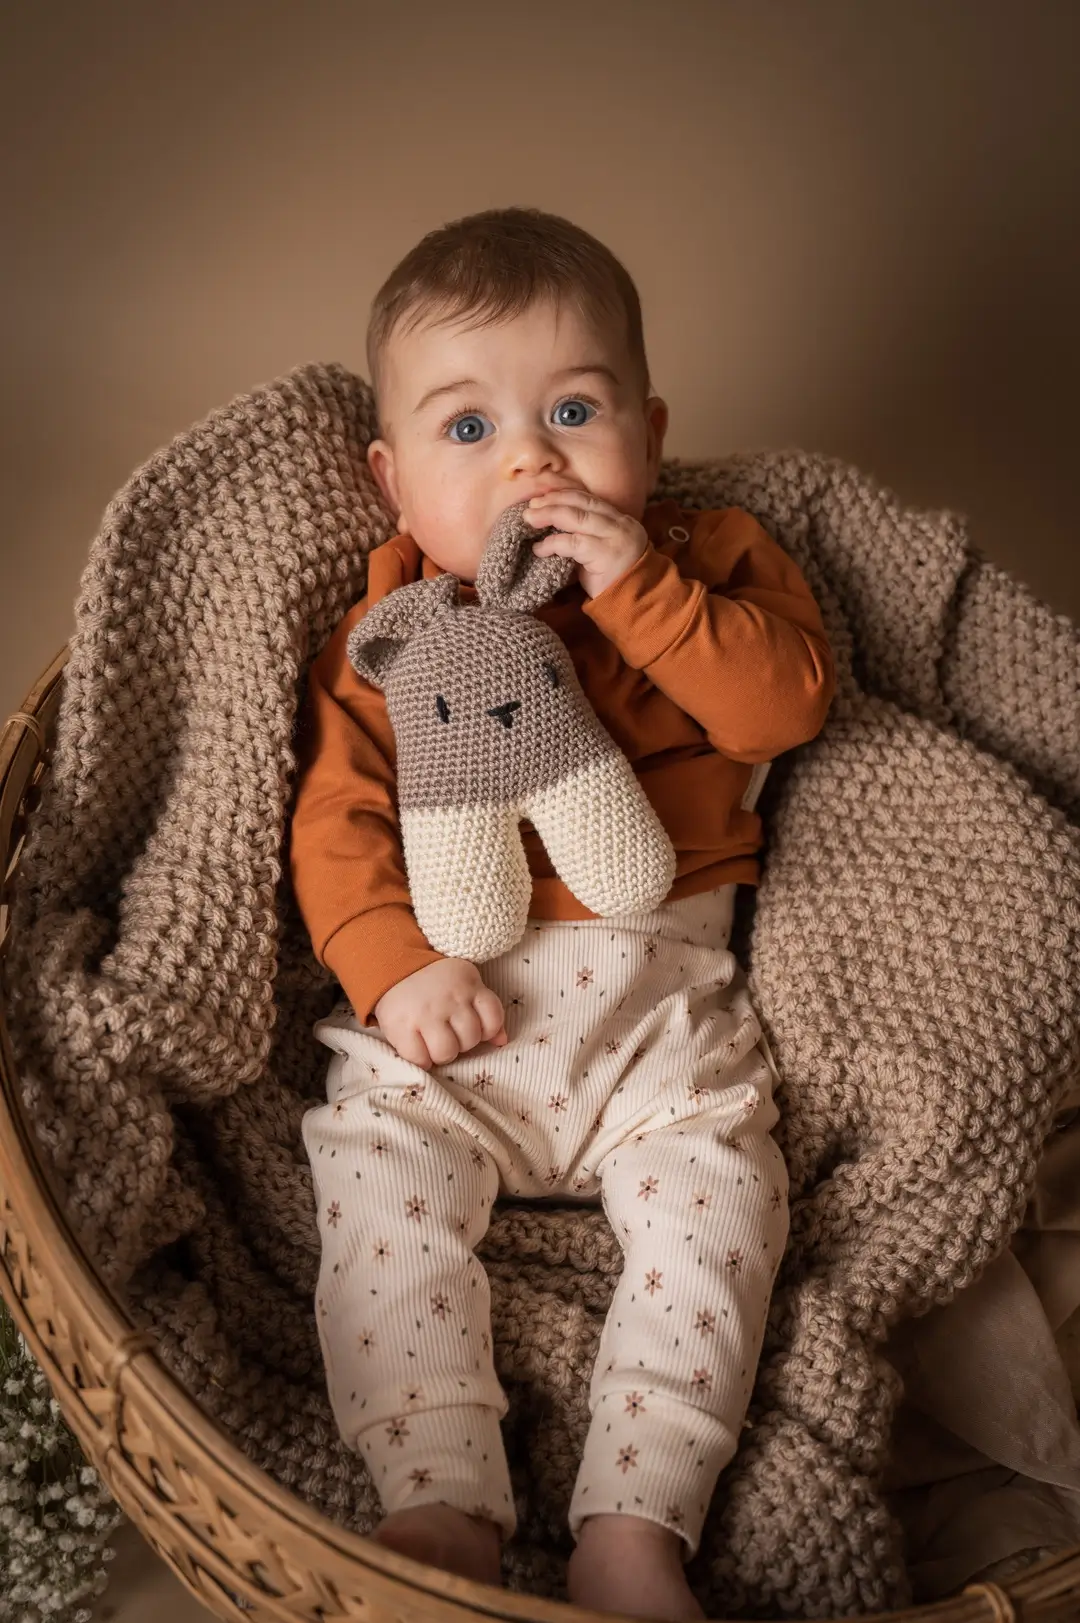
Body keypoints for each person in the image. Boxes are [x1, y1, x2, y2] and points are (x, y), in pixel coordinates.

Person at [288, 205, 835, 1621]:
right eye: (466, 430)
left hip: (660, 1016)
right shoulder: (390, 633)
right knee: (372, 1173)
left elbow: (785, 701)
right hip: (458, 1015)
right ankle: (441, 1492)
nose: (531, 456)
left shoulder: (704, 559)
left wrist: (638, 588)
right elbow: (336, 821)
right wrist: (394, 969)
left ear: (648, 435)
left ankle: (638, 1521)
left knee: (726, 1208)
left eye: (574, 410)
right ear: (393, 478)